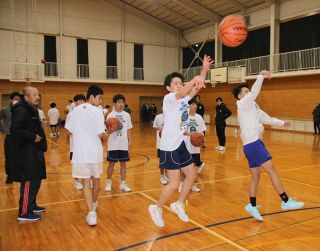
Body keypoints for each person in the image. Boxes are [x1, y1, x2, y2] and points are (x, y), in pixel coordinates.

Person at [148, 55, 213, 227]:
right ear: (168, 87)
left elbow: (194, 89)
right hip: (169, 146)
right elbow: (185, 90)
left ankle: (179, 204)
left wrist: (204, 71)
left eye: (180, 82)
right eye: (175, 83)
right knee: (175, 181)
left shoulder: (184, 100)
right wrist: (193, 79)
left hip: (180, 144)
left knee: (191, 175)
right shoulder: (169, 99)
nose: (178, 84)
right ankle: (157, 207)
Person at [232, 70, 304, 222]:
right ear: (239, 96)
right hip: (253, 144)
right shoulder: (242, 103)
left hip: (250, 145)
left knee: (256, 177)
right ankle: (285, 201)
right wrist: (260, 76)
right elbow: (254, 93)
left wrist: (281, 123)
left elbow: (265, 118)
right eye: (246, 91)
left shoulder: (252, 106)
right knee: (271, 170)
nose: (249, 92)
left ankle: (252, 205)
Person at [65, 85, 105, 226]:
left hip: (80, 153)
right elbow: (101, 134)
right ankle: (93, 205)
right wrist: (108, 133)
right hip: (94, 152)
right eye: (99, 98)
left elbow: (70, 130)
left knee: (86, 183)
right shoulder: (97, 111)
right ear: (92, 97)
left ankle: (91, 213)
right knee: (97, 181)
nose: (100, 101)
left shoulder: (74, 111)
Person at [10, 86, 47, 221]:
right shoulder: (21, 110)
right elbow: (16, 130)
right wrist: (33, 137)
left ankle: (31, 205)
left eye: (38, 94)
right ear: (26, 97)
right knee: (29, 180)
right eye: (34, 95)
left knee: (36, 178)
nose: (37, 97)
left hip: (35, 150)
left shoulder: (32, 109)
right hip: (26, 152)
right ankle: (24, 212)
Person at [105, 94, 133, 192]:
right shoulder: (110, 115)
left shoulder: (127, 115)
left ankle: (123, 184)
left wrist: (130, 141)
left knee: (123, 165)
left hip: (123, 144)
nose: (121, 104)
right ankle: (108, 182)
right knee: (111, 164)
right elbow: (106, 132)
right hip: (113, 144)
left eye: (122, 102)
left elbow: (129, 129)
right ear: (114, 103)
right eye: (119, 102)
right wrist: (110, 131)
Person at [66, 94, 87, 190]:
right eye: (79, 101)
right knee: (76, 164)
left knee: (86, 163)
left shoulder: (88, 113)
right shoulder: (71, 114)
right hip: (75, 145)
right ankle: (77, 181)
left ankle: (87, 180)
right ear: (75, 102)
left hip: (86, 145)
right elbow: (70, 129)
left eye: (83, 100)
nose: (81, 102)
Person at [0, 92, 21, 184]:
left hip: (20, 136)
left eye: (19, 99)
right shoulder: (5, 109)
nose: (17, 101)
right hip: (10, 136)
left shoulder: (22, 110)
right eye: (15, 99)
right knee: (9, 156)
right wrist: (3, 130)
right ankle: (10, 175)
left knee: (21, 156)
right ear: (11, 99)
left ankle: (19, 174)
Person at [152, 105, 169, 185]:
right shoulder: (158, 117)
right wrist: (161, 129)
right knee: (162, 160)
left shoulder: (171, 117)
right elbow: (155, 127)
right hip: (161, 143)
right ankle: (162, 176)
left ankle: (166, 174)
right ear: (162, 107)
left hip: (170, 143)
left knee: (169, 159)